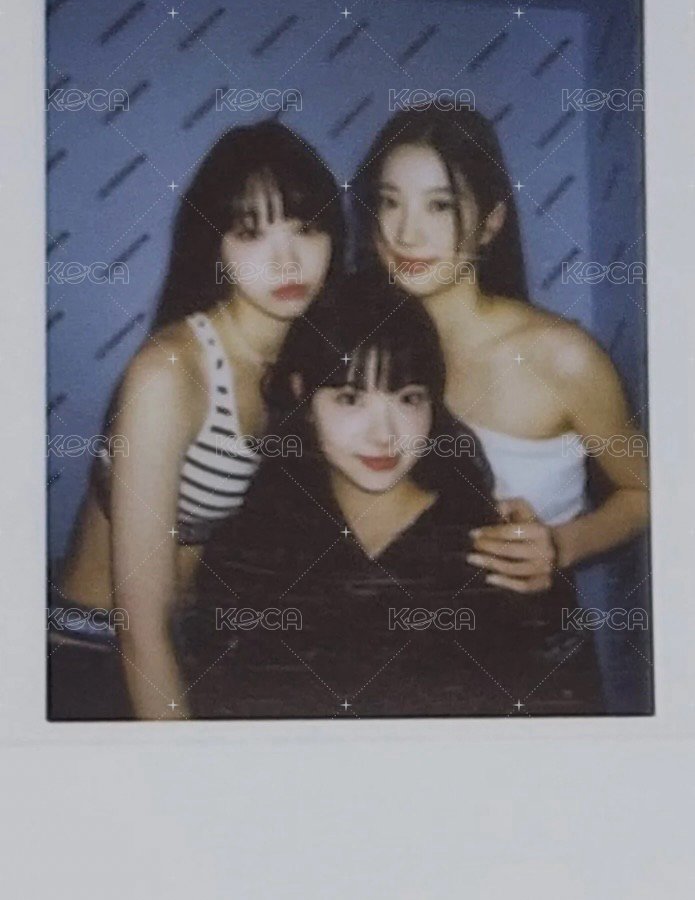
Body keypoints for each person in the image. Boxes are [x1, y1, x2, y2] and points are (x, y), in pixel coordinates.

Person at [189, 274, 603, 719]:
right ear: (300, 393)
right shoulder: (249, 549)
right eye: (351, 399)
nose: (384, 435)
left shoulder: (493, 553)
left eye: (407, 399)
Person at [51, 120, 344, 720]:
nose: (287, 260)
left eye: (305, 228)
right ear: (216, 244)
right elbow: (139, 628)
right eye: (252, 233)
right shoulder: (170, 373)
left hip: (194, 644)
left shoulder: (305, 362)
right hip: (93, 650)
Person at [353, 103, 649, 595]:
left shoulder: (561, 356)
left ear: (491, 222)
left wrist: (559, 545)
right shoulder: (352, 346)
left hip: (526, 634)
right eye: (390, 202)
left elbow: (647, 491)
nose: (406, 233)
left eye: (440, 206)